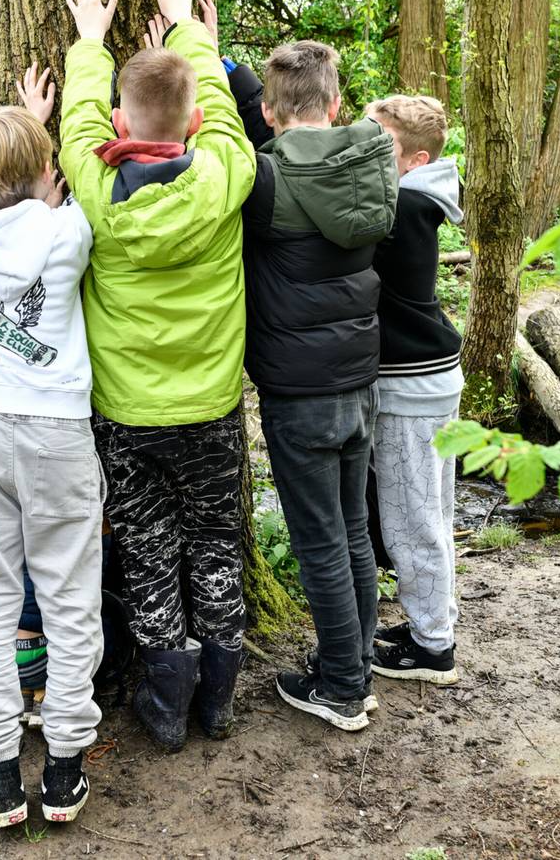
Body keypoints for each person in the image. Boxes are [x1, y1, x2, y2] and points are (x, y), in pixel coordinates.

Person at [59, 0, 256, 752]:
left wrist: (89, 43)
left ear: (119, 125)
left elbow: (76, 123)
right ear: (196, 127)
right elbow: (218, 109)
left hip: (127, 416)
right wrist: (188, 30)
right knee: (216, 542)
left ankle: (167, 704)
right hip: (210, 407)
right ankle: (218, 697)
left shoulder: (94, 188)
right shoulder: (225, 173)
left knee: (145, 549)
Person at [225, 36, 398, 731]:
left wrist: (210, 65)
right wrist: (223, 63)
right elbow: (280, 123)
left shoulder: (267, 181)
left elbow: (247, 148)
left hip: (299, 391)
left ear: (267, 113)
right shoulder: (373, 160)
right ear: (336, 103)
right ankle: (352, 666)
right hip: (359, 380)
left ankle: (343, 688)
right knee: (353, 531)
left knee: (322, 540)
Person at [0, 102, 103, 827]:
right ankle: (65, 765)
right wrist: (39, 150)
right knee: (69, 596)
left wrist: (7, 145)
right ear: (48, 167)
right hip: (57, 430)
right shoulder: (68, 230)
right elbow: (42, 202)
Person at [364, 95, 463, 686]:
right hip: (429, 379)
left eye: (380, 146)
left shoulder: (402, 206)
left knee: (412, 519)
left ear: (414, 158)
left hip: (411, 388)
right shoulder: (419, 196)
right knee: (431, 510)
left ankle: (433, 649)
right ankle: (434, 624)